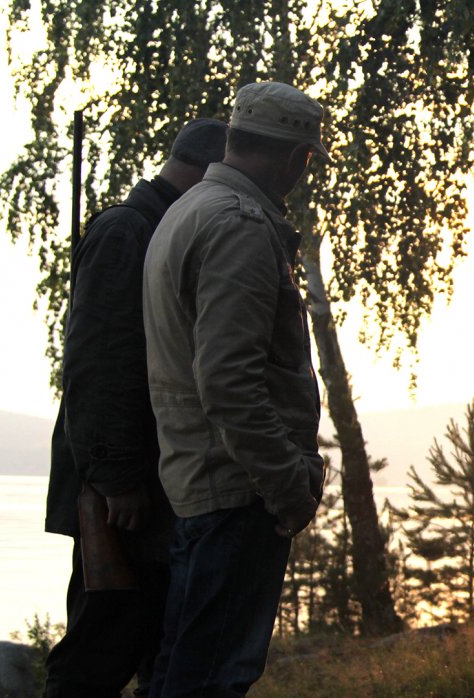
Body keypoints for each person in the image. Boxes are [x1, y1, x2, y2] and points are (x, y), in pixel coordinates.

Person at [142, 81, 329, 696]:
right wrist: (289, 486)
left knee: (182, 670)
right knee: (212, 679)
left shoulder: (190, 208)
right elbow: (228, 384)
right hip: (236, 490)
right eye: (308, 162)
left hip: (204, 480)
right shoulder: (240, 226)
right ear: (296, 158)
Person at [43, 118, 229, 698]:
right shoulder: (130, 230)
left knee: (150, 645)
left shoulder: (160, 226)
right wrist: (117, 477)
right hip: (122, 494)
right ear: (208, 172)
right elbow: (98, 364)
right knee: (99, 653)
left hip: (147, 483)